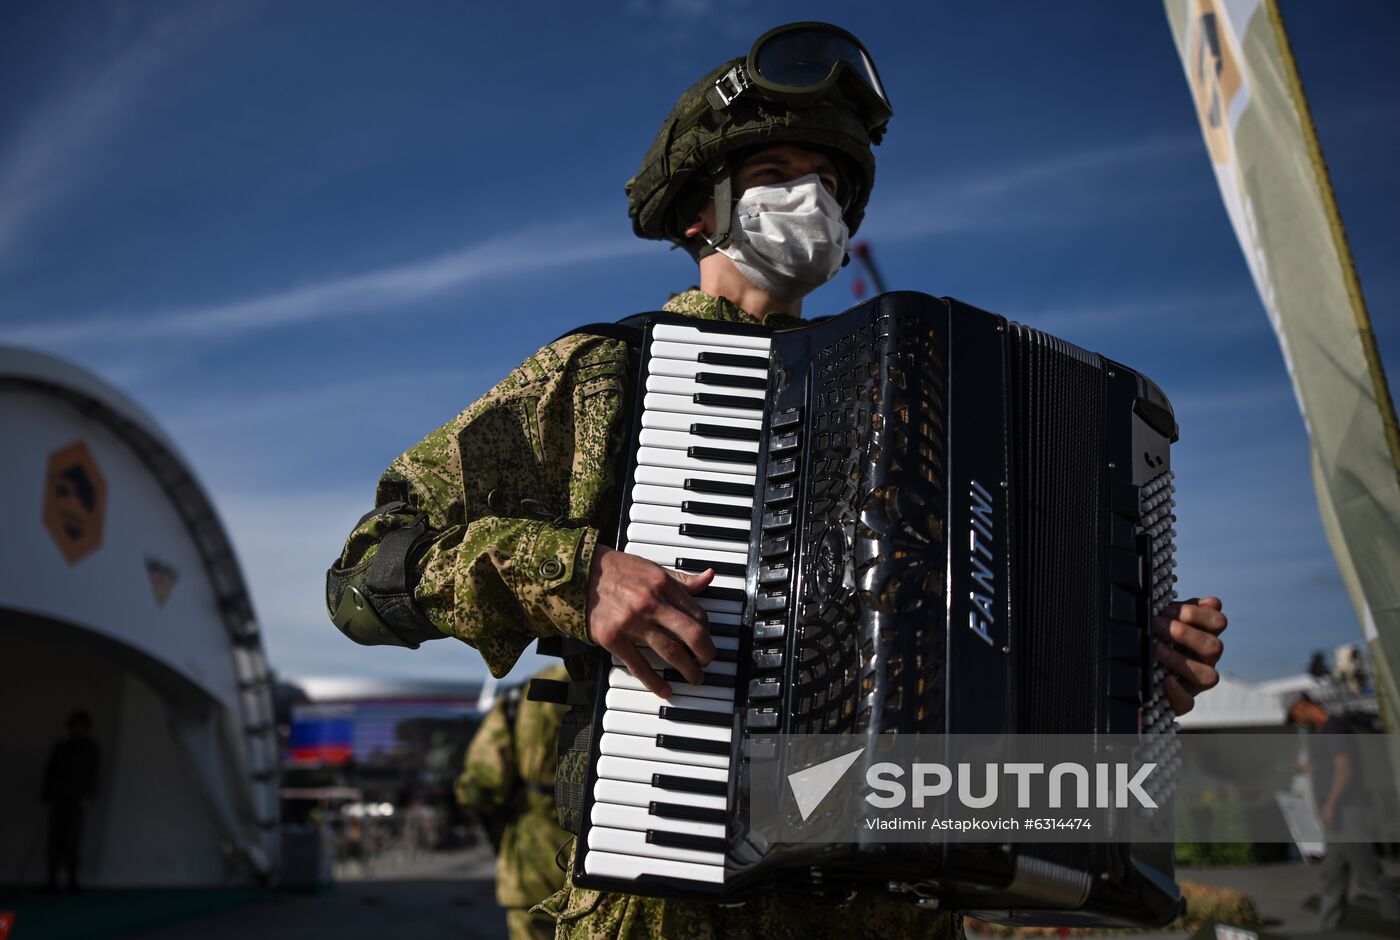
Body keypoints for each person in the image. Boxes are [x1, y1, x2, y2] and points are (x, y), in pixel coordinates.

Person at [326, 22, 1230, 938]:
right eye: (777, 172)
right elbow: (367, 574)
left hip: (899, 912)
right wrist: (580, 576)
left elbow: (993, 645)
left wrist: (1128, 669)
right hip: (676, 911)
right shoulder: (605, 375)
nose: (812, 199)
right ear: (699, 211)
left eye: (831, 183)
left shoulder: (925, 406)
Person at [456, 665, 573, 940]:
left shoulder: (523, 696)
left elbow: (480, 785)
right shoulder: (631, 682)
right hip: (609, 865)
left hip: (532, 866)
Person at [1287, 693, 1400, 929]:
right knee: (1332, 877)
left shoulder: (1333, 727)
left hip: (1347, 813)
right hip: (1340, 818)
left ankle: (1394, 917)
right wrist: (1310, 768)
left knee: (1370, 878)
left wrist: (1331, 805)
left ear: (1302, 706)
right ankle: (1328, 930)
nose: (1297, 722)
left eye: (1294, 715)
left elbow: (1344, 768)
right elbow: (1333, 765)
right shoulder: (1325, 729)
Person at [41, 710, 99, 891]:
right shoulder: (62, 747)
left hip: (76, 799)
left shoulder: (89, 749)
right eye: (75, 725)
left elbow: (91, 774)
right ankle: (52, 880)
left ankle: (72, 880)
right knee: (55, 839)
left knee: (72, 840)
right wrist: (47, 794)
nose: (77, 728)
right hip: (60, 798)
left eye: (80, 725)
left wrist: (87, 795)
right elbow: (51, 771)